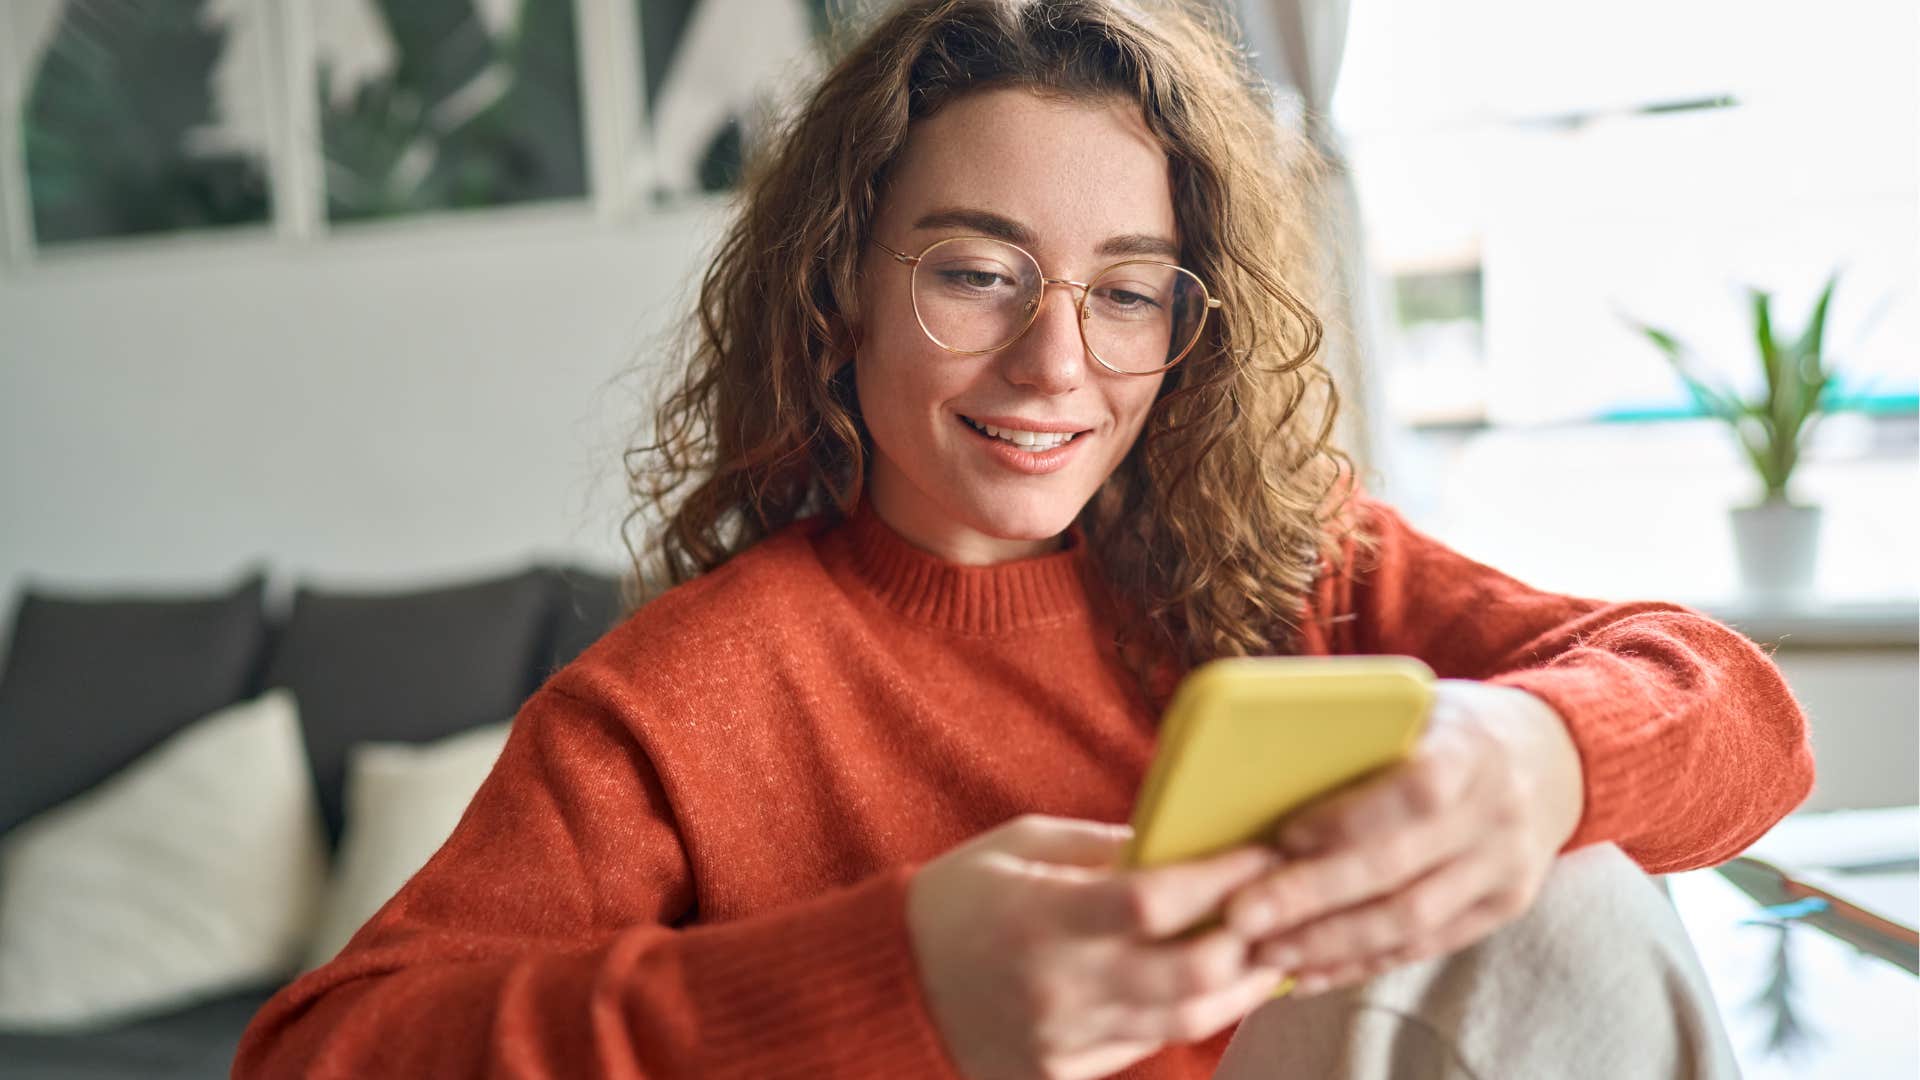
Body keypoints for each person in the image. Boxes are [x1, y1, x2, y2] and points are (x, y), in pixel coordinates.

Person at [233, 1, 1814, 1076]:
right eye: (977, 274)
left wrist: (1538, 757)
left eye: (1127, 292)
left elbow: (1740, 718)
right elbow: (323, 1054)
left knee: (1581, 886)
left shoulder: (1295, 568)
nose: (1057, 367)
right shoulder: (676, 707)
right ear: (842, 285)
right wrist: (895, 977)